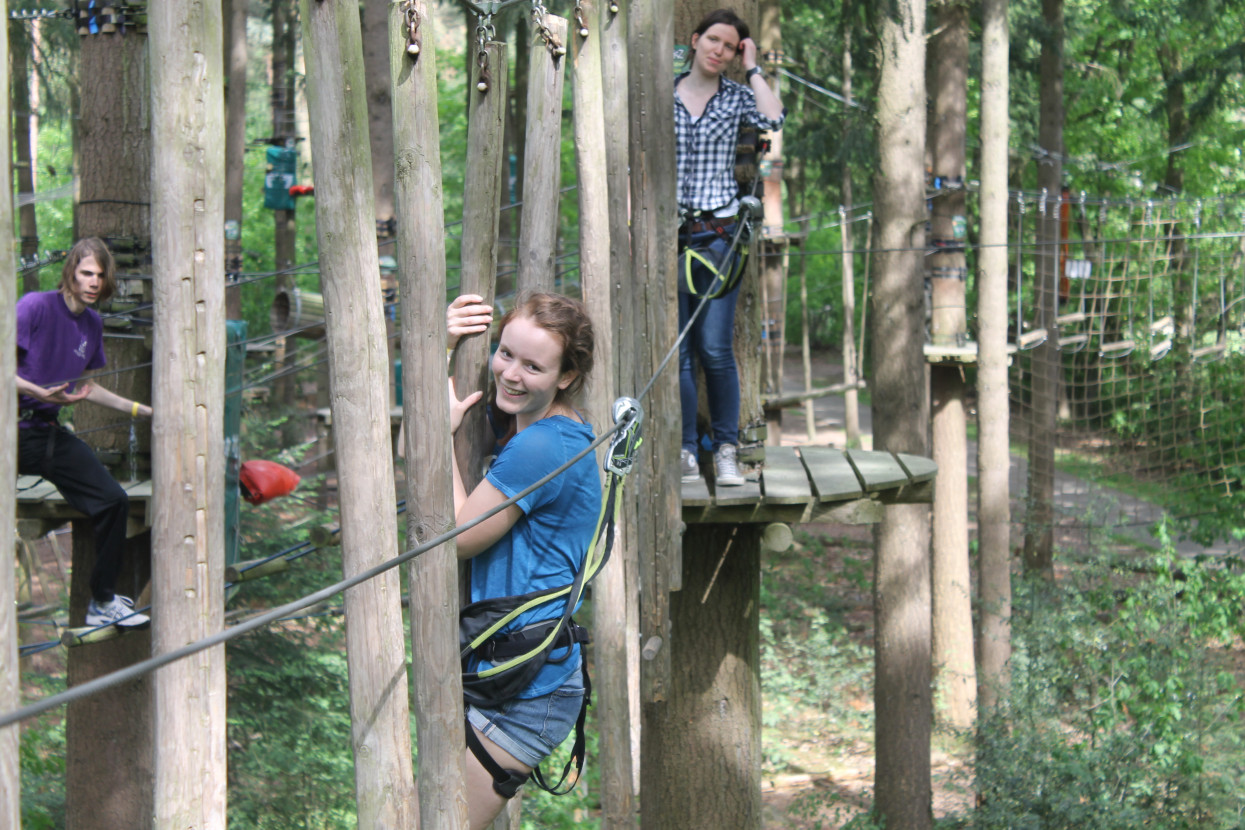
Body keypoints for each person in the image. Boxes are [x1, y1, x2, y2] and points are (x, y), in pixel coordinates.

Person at [446, 292, 601, 829]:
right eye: (504, 353)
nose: (510, 374)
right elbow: (405, 450)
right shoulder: (524, 426)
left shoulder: (545, 447)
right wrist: (443, 346)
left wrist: (441, 439)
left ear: (565, 376)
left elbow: (458, 537)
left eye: (533, 366)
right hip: (504, 670)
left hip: (526, 691)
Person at [16, 237, 153, 628]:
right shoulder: (35, 307)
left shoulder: (92, 324)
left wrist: (142, 411)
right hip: (9, 427)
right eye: (86, 273)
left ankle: (102, 602)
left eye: (100, 275)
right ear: (71, 274)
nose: (93, 282)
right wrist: (34, 389)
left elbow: (88, 388)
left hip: (43, 434)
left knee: (114, 501)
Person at [675, 7, 784, 486]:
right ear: (696, 40)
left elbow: (773, 118)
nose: (719, 51)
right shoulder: (664, 95)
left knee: (714, 349)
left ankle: (724, 449)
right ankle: (682, 448)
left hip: (718, 236)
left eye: (730, 46)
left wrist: (754, 66)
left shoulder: (738, 97)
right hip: (669, 236)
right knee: (678, 350)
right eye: (713, 41)